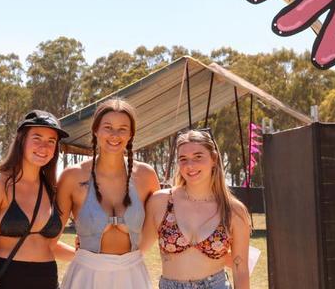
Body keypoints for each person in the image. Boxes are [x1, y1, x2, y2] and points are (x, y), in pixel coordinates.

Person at [57, 98, 160, 289]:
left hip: (133, 277)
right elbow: (50, 238)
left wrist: (135, 256)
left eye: (122, 128)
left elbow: (159, 226)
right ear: (95, 130)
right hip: (85, 279)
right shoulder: (72, 176)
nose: (115, 135)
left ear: (131, 134)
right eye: (107, 127)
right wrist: (84, 259)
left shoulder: (146, 176)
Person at [0, 110, 73, 289]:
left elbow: (48, 245)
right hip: (7, 281)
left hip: (48, 281)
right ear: (21, 140)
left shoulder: (52, 189)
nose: (44, 147)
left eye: (51, 141)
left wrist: (86, 256)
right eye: (37, 138)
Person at [142, 130, 251, 289]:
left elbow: (240, 270)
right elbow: (136, 251)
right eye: (183, 159)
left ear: (214, 158)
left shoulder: (233, 211)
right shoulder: (160, 202)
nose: (190, 165)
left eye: (198, 157)